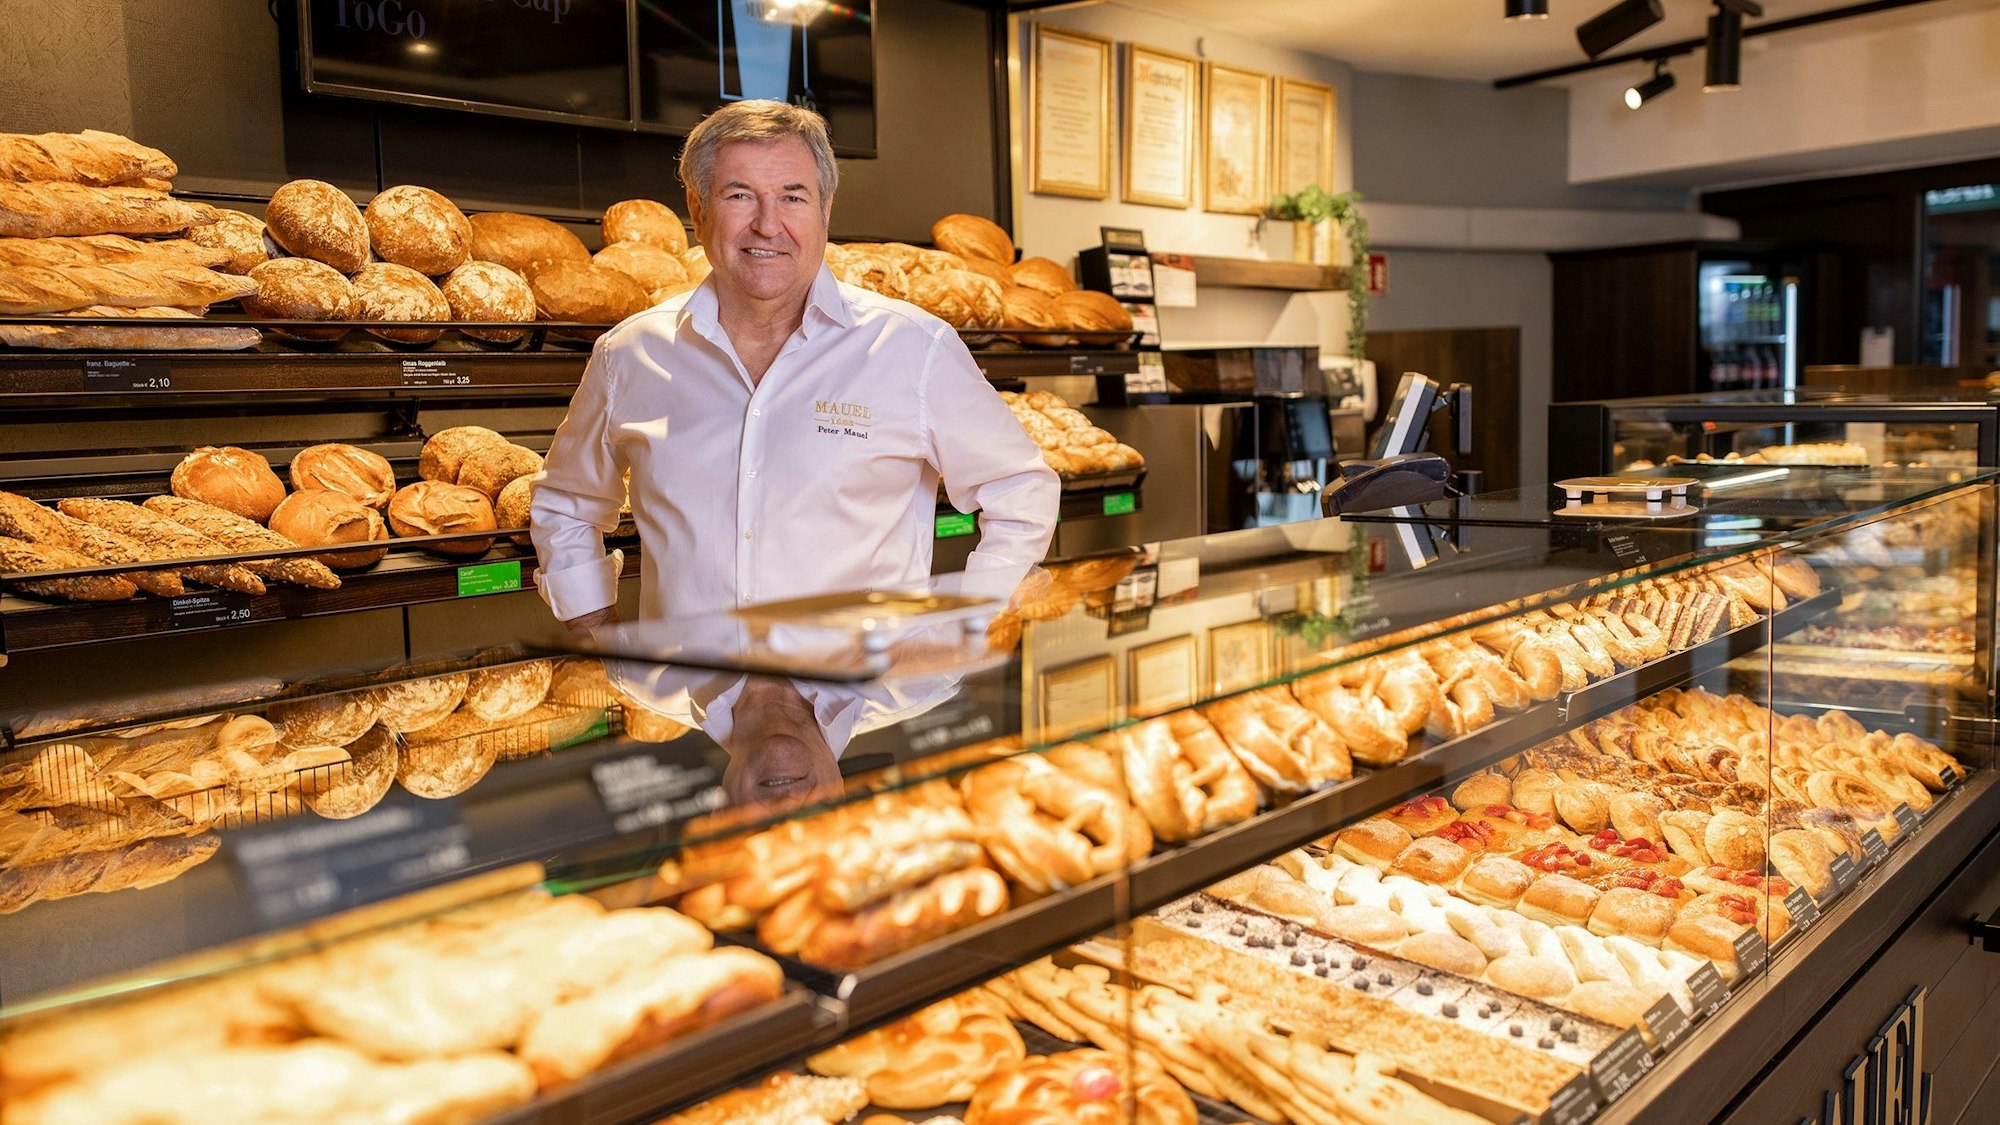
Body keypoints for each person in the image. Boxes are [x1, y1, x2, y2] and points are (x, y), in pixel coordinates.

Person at [530, 99, 1058, 633]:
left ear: (825, 208)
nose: (767, 224)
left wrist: (970, 627)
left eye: (793, 197)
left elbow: (1019, 490)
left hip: (862, 704)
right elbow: (568, 503)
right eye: (740, 196)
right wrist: (594, 629)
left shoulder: (912, 348)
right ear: (697, 208)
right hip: (693, 703)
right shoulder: (630, 355)